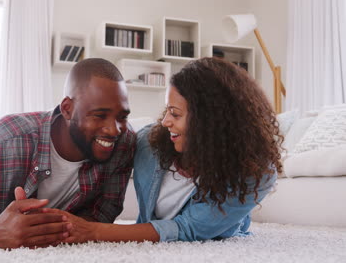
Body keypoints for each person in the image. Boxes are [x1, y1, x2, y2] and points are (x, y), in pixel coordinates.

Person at [42, 57, 282, 243]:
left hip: (216, 238)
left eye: (175, 114)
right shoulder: (149, 142)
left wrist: (94, 232)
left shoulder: (256, 173)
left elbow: (189, 228)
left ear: (210, 122)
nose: (165, 121)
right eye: (167, 110)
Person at [0, 58, 136, 249]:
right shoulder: (7, 139)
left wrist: (54, 229)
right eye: (100, 115)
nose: (114, 129)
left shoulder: (124, 144)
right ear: (67, 109)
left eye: (122, 117)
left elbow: (102, 213)